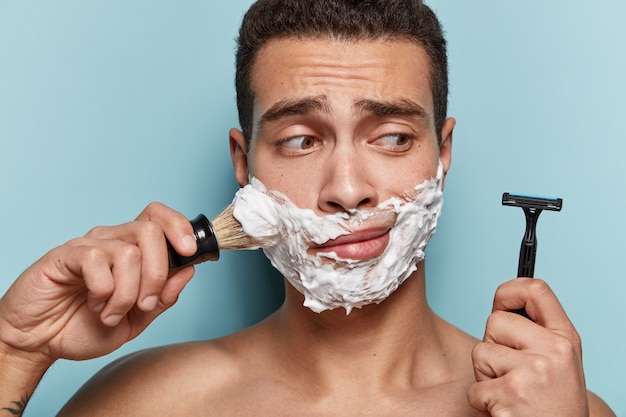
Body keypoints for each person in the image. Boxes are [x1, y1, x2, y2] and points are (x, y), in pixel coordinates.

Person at [0, 0, 616, 415]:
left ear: (442, 152)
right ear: (245, 165)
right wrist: (14, 352)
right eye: (301, 140)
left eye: (393, 136)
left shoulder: (558, 408)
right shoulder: (150, 403)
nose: (347, 190)